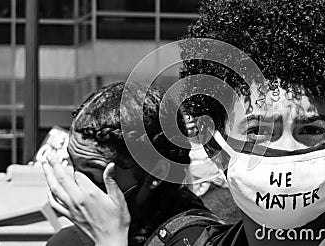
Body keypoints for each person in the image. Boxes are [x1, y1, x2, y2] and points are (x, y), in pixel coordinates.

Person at [44, 0, 325, 245]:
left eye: (310, 130)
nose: (288, 149)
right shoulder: (186, 242)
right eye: (258, 130)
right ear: (215, 149)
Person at [43, 82, 207, 246]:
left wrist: (111, 241)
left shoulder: (197, 238)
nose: (79, 188)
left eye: (96, 176)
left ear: (157, 172)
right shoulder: (69, 241)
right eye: (75, 169)